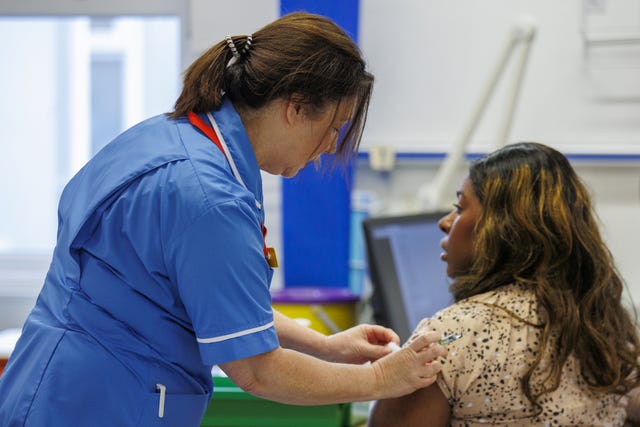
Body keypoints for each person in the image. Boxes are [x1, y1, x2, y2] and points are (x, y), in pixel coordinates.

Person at [0, 12, 447, 427]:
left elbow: (216, 302)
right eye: (334, 127)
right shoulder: (209, 198)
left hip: (54, 385)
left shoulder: (173, 138)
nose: (331, 146)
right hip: (95, 403)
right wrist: (382, 379)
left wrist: (325, 346)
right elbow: (256, 370)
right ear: (295, 106)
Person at [369, 142, 640, 426]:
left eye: (459, 208)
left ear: (500, 227)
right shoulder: (601, 323)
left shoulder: (449, 337)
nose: (445, 223)